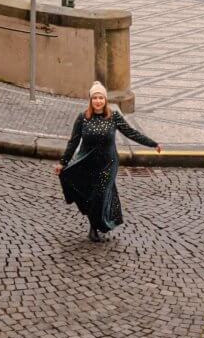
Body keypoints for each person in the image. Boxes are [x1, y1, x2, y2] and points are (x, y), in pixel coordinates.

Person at [56, 82, 161, 243]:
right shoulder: (82, 118)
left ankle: (96, 227)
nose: (98, 101)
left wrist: (153, 144)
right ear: (90, 100)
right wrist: (63, 163)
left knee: (101, 194)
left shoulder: (114, 117)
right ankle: (93, 226)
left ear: (105, 100)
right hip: (87, 162)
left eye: (101, 98)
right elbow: (73, 142)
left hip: (108, 164)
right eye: (95, 98)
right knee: (90, 195)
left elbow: (131, 133)